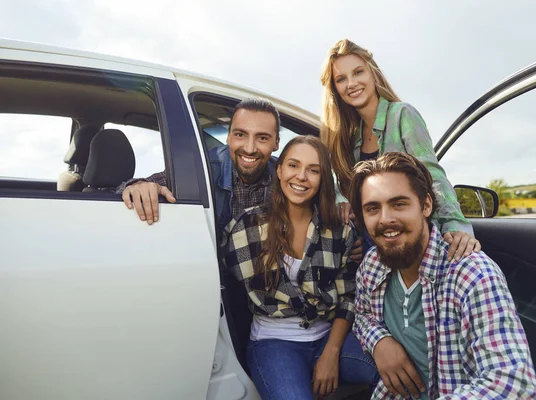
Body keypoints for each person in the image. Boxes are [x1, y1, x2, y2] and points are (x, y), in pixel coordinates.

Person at [349, 152, 536, 399]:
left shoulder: (473, 275)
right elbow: (362, 314)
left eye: (399, 204)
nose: (386, 219)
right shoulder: (372, 265)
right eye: (373, 208)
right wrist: (380, 341)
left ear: (426, 205)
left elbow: (513, 386)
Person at [222, 136, 379, 400]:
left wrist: (331, 352)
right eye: (293, 165)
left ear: (322, 179)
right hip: (273, 343)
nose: (302, 177)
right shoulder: (244, 227)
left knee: (394, 372)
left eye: (313, 170)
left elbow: (348, 297)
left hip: (329, 336)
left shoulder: (338, 229)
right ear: (279, 169)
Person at [320, 38, 479, 261]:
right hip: (375, 248)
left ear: (372, 73)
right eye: (341, 79)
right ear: (335, 88)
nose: (351, 83)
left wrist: (455, 224)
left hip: (413, 243)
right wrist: (341, 203)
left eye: (358, 72)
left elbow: (432, 174)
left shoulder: (403, 115)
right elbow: (336, 184)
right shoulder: (348, 137)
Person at [116, 97, 280, 232]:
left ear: (276, 143)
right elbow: (136, 188)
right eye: (240, 135)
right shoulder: (203, 168)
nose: (249, 149)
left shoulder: (285, 177)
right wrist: (138, 186)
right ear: (228, 137)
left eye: (262, 138)